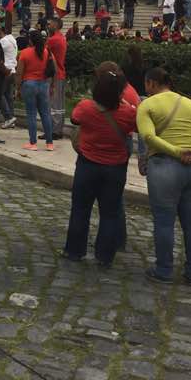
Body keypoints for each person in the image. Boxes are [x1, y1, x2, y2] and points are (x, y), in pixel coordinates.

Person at [137, 67, 191, 286]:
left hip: (164, 166)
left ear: (151, 83)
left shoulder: (147, 105)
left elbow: (148, 136)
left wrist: (177, 152)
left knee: (164, 222)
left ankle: (164, 269)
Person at [63, 67, 137, 267]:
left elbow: (75, 119)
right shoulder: (128, 113)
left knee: (80, 209)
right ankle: (105, 256)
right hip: (115, 167)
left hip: (88, 164)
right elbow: (136, 126)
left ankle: (74, 250)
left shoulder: (86, 107)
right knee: (110, 213)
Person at [14, 30, 54, 151]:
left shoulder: (25, 53)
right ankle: (49, 143)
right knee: (45, 114)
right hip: (43, 84)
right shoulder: (46, 52)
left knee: (31, 114)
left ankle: (33, 143)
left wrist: (18, 88)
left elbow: (19, 72)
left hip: (29, 84)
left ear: (31, 40)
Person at [46, 18, 68, 138]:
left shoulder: (52, 40)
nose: (48, 26)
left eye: (50, 24)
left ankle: (53, 130)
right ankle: (58, 129)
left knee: (53, 104)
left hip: (54, 75)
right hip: (60, 73)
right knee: (59, 104)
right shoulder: (62, 38)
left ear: (56, 26)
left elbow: (43, 52)